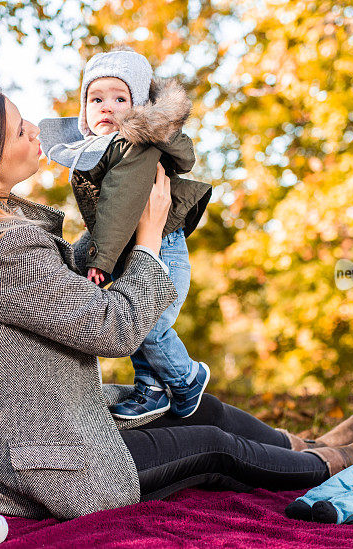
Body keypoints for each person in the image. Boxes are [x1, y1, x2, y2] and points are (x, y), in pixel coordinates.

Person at [0, 81, 353, 521]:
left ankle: (304, 446)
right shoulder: (2, 248)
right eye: (20, 130)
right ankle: (350, 459)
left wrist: (124, 215)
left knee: (202, 409)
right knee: (214, 448)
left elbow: (63, 280)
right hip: (41, 469)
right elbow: (114, 329)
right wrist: (149, 240)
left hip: (25, 434)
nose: (38, 131)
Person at [37, 48, 213, 420]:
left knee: (147, 324)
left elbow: (119, 202)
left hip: (160, 247)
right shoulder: (95, 148)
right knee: (131, 317)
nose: (107, 107)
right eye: (96, 98)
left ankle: (186, 378)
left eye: (120, 98)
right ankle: (151, 387)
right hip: (128, 247)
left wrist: (100, 258)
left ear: (138, 108)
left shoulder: (132, 144)